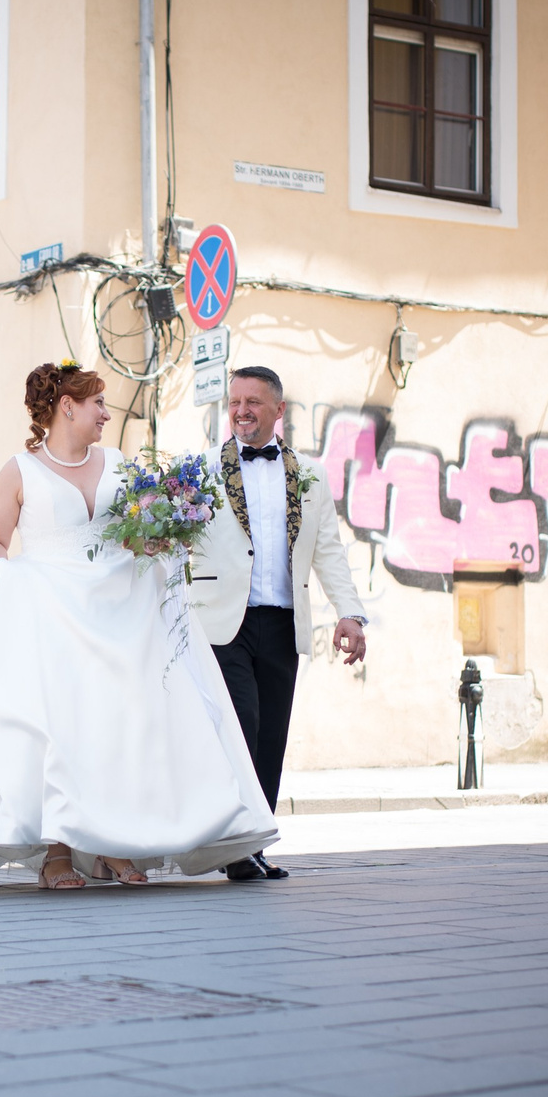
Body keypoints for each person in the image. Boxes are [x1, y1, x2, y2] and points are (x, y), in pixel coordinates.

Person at [0, 362, 276, 889]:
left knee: (122, 726)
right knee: (61, 729)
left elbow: (135, 531)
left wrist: (157, 540)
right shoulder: (18, 470)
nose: (107, 414)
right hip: (50, 612)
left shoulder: (116, 463)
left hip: (122, 609)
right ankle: (57, 853)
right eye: (98, 405)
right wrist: (9, 575)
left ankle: (114, 846)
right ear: (67, 405)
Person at [186, 365, 369, 882]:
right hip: (223, 623)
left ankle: (254, 844)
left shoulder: (310, 475)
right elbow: (176, 544)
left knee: (271, 737)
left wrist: (349, 614)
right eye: (235, 401)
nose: (241, 410)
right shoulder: (201, 470)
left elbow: (329, 552)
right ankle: (233, 842)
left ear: (278, 410)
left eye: (253, 401)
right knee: (242, 724)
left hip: (284, 622)